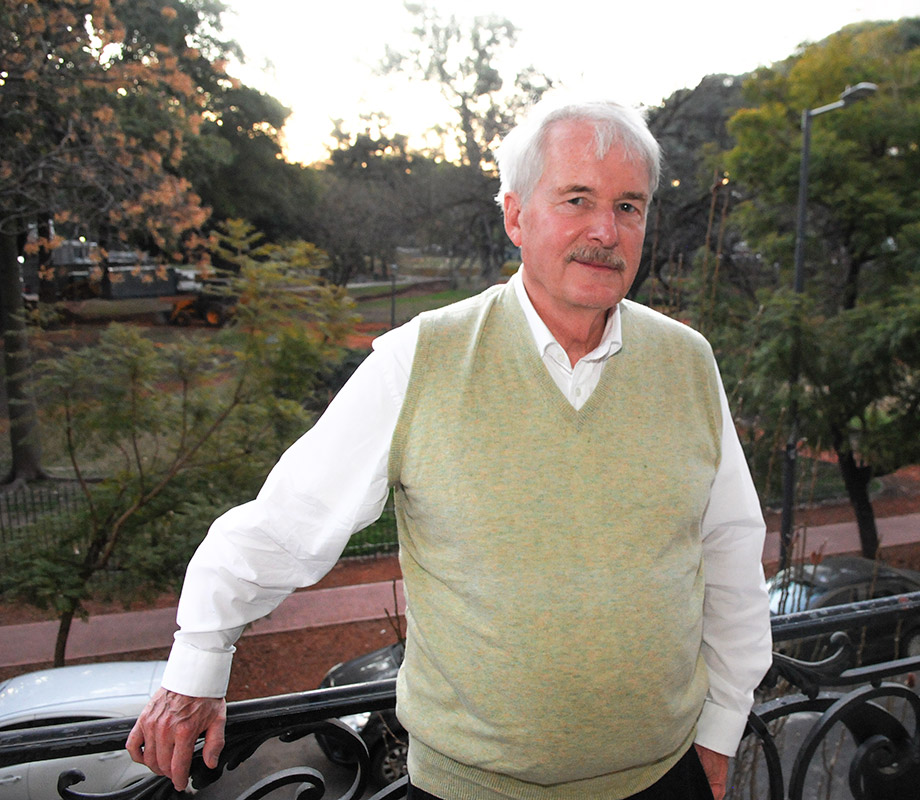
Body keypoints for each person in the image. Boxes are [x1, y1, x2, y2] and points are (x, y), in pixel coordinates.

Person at [127, 95, 772, 800]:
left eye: (628, 206)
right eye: (577, 199)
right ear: (516, 216)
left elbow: (730, 552)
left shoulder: (687, 362)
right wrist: (197, 665)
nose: (605, 230)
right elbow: (283, 525)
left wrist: (722, 725)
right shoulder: (421, 360)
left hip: (664, 780)